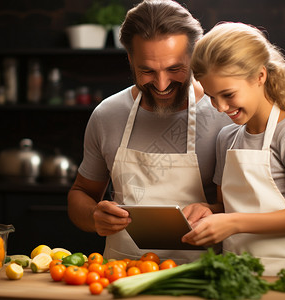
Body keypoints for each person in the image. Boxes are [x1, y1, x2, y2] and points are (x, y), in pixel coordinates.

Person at [67, 0, 230, 264]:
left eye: (175, 69)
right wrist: (93, 217)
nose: (162, 84)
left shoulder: (224, 114)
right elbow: (80, 193)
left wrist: (214, 212)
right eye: (147, 71)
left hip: (201, 276)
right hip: (121, 274)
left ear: (194, 55)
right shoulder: (107, 115)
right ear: (130, 58)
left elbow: (247, 208)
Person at [182, 22, 285, 277]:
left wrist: (233, 222)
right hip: (238, 274)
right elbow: (228, 207)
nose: (219, 107)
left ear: (260, 76)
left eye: (228, 94)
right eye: (211, 96)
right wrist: (209, 210)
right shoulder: (227, 137)